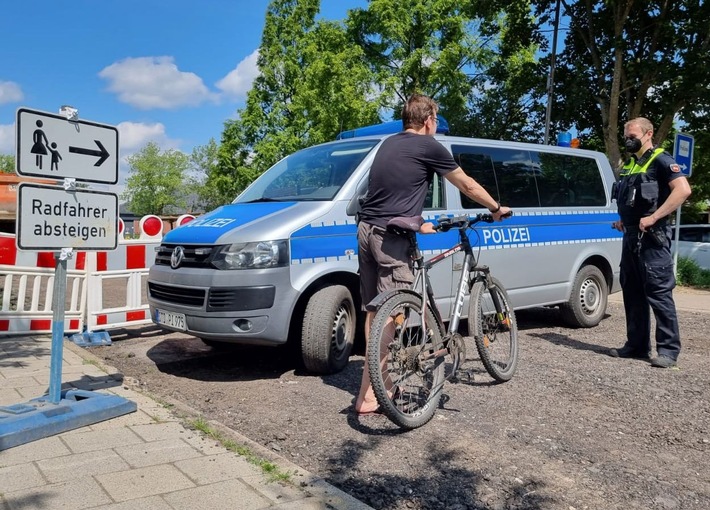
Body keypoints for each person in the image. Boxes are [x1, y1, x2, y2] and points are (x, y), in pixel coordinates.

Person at [354, 94, 512, 415]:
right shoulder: (429, 146)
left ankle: (366, 392)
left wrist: (420, 221)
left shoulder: (387, 144)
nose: (436, 127)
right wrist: (495, 207)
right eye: (436, 121)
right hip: (391, 238)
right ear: (428, 121)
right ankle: (376, 393)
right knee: (393, 312)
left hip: (366, 230)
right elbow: (466, 185)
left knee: (374, 310)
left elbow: (391, 191)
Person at [609, 117, 691, 368]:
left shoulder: (662, 160)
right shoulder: (632, 164)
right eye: (626, 136)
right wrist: (624, 220)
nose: (628, 140)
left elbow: (683, 190)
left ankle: (668, 351)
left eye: (632, 135)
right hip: (631, 235)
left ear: (648, 134)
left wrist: (654, 217)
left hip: (653, 237)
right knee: (632, 291)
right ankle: (636, 345)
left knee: (658, 292)